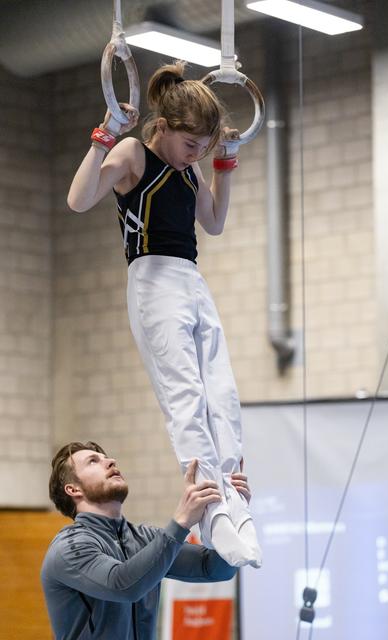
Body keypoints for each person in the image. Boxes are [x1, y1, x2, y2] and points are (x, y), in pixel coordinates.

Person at [67, 60, 261, 568]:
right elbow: (77, 199)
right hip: (152, 283)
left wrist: (225, 163)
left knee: (223, 393)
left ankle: (236, 503)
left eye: (205, 145)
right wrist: (105, 136)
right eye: (192, 143)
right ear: (165, 128)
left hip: (192, 281)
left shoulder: (189, 167)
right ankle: (210, 507)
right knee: (187, 397)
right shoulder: (135, 154)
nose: (197, 152)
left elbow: (213, 223)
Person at [41, 440, 252, 640]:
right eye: (93, 461)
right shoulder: (69, 548)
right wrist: (181, 522)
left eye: (106, 457)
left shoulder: (144, 538)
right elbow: (123, 586)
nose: (111, 461)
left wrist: (233, 508)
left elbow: (218, 568)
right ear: (73, 489)